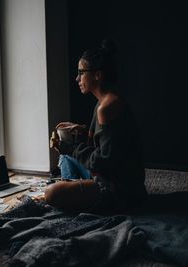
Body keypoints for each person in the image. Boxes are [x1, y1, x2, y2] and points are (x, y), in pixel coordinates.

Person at [45, 39, 147, 213]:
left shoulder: (107, 107)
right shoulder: (104, 101)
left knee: (51, 193)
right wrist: (80, 129)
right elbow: (110, 140)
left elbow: (105, 160)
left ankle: (75, 193)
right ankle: (77, 191)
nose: (77, 78)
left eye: (81, 72)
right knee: (65, 159)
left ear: (97, 75)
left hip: (119, 190)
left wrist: (71, 147)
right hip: (105, 176)